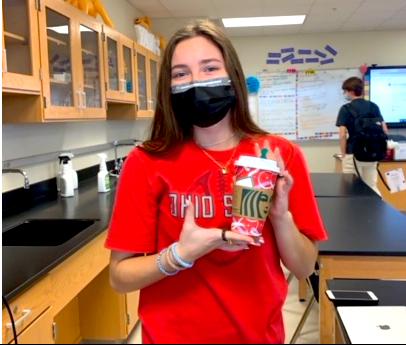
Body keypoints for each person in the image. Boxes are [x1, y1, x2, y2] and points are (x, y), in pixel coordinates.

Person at [105, 19, 327, 344]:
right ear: (168, 88)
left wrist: (280, 216)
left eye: (209, 68)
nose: (196, 82)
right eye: (181, 74)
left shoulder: (277, 155)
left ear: (232, 77)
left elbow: (306, 267)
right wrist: (180, 254)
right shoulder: (146, 162)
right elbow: (119, 277)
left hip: (259, 337)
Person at [336, 76, 388, 196]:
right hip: (372, 153)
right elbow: (384, 129)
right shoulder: (373, 106)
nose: (345, 94)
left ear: (351, 91)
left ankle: (353, 214)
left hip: (353, 153)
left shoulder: (346, 109)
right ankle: (375, 212)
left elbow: (343, 134)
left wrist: (344, 154)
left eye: (345, 91)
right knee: (372, 186)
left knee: (350, 188)